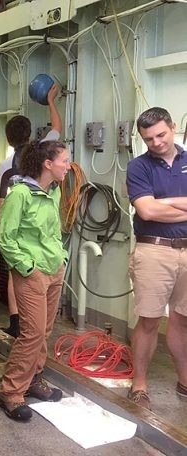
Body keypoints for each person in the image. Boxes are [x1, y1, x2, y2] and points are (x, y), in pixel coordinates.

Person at [0, 140, 70, 421]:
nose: (68, 165)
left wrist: (61, 259)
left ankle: (34, 379)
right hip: (32, 273)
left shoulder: (54, 192)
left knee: (45, 331)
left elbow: (53, 233)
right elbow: (4, 237)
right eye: (64, 160)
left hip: (54, 269)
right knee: (32, 333)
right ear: (47, 164)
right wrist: (27, 267)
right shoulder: (20, 194)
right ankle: (11, 392)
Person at [125, 107, 187, 410]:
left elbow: (155, 206)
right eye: (148, 139)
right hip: (153, 250)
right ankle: (139, 383)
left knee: (182, 319)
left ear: (173, 127)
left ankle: (185, 379)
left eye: (161, 134)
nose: (156, 142)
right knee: (149, 320)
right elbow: (146, 211)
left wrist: (167, 202)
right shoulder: (138, 167)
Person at [0, 84, 62, 337]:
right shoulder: (44, 149)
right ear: (31, 133)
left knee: (16, 274)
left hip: (14, 225)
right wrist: (51, 100)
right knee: (41, 276)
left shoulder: (4, 165)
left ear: (8, 139)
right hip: (38, 226)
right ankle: (35, 320)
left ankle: (16, 321)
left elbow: (0, 201)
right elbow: (57, 126)